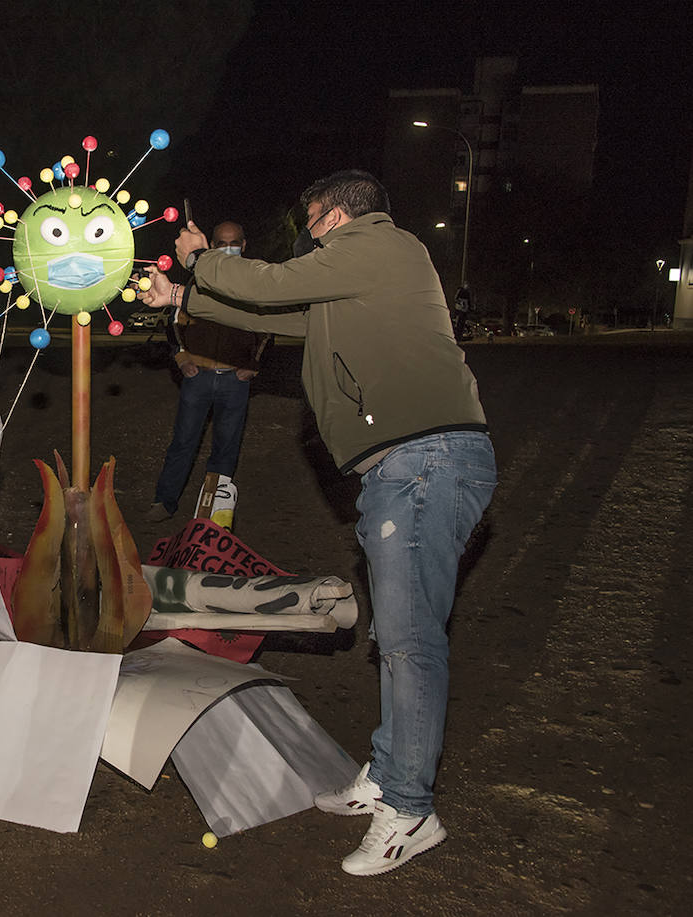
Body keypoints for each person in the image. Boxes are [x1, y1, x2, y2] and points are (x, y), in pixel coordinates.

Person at [141, 170, 496, 876]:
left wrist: (199, 258)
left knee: (410, 641)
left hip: (425, 462)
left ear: (333, 216)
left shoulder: (385, 246)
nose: (304, 237)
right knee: (396, 636)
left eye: (309, 224)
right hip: (402, 468)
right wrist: (187, 295)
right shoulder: (353, 285)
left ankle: (411, 809)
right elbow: (276, 317)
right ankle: (390, 773)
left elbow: (270, 285)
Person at [143, 220, 266, 523]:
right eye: (222, 243)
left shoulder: (253, 284)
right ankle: (165, 502)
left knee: (227, 446)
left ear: (244, 245)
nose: (229, 249)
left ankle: (216, 511)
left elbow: (267, 331)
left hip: (235, 381)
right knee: (183, 442)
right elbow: (171, 324)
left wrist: (253, 365)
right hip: (198, 378)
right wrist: (182, 358)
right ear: (211, 245)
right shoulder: (198, 282)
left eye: (234, 243)